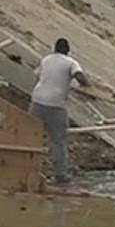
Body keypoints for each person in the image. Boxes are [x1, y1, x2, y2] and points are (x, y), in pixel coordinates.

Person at [30, 37, 88, 185]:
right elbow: (79, 76)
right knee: (58, 141)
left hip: (37, 101)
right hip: (56, 105)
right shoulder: (71, 62)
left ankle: (27, 169)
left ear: (54, 48)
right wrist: (87, 85)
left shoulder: (46, 59)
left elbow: (37, 75)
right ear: (68, 51)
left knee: (31, 136)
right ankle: (60, 175)